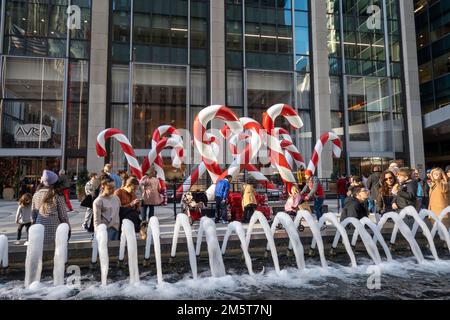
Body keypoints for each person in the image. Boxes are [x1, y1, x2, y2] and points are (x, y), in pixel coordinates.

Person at [31, 170, 71, 245]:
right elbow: (63, 216)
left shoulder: (36, 194)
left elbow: (33, 215)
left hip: (39, 231)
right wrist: (68, 228)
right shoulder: (57, 195)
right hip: (54, 230)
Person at [93, 177, 121, 241]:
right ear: (103, 187)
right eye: (110, 188)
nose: (113, 190)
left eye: (114, 187)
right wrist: (97, 234)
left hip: (117, 228)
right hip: (106, 230)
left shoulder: (116, 198)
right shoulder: (98, 201)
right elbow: (96, 220)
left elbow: (119, 212)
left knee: (115, 250)